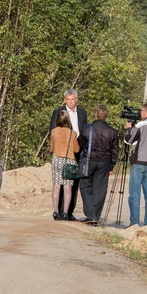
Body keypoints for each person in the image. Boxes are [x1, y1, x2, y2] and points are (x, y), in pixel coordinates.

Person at [49, 89, 87, 219]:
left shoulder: (82, 113)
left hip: (74, 152)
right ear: (65, 99)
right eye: (68, 99)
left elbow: (84, 131)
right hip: (65, 152)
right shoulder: (58, 112)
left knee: (72, 185)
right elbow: (52, 131)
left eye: (73, 99)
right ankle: (61, 211)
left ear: (76, 99)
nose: (70, 102)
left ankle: (68, 212)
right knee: (64, 186)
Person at [78, 105, 119, 225]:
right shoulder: (112, 131)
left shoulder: (86, 128)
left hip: (88, 160)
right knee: (100, 189)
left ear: (95, 114)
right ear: (106, 116)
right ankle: (95, 216)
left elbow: (80, 145)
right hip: (104, 162)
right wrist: (112, 164)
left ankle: (90, 214)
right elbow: (115, 150)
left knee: (85, 186)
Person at [50, 111, 81, 221]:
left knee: (56, 186)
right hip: (69, 161)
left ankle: (55, 211)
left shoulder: (53, 132)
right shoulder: (72, 133)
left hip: (57, 159)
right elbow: (76, 149)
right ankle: (65, 213)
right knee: (67, 188)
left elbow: (51, 148)